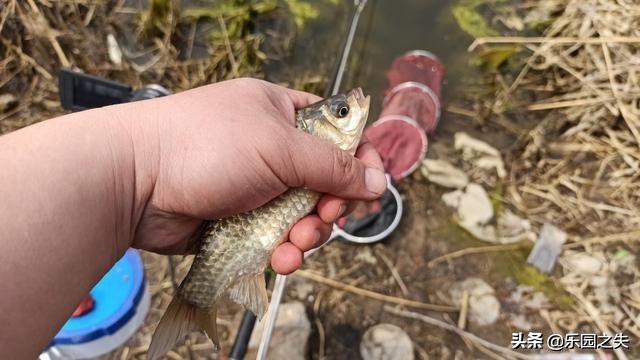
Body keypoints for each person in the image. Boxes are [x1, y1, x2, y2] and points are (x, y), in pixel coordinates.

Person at [0, 78, 386, 358]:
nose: (349, 110)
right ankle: (195, 306)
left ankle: (198, 305)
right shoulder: (308, 147)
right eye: (342, 112)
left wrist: (142, 175)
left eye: (342, 111)